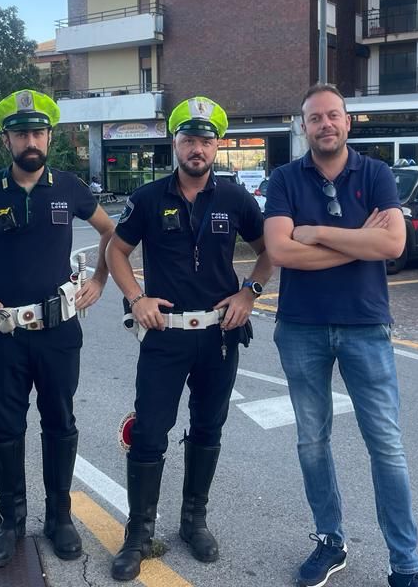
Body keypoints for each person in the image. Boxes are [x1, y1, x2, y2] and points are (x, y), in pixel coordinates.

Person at [263, 84, 418, 587]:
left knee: (386, 446)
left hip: (365, 325)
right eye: (315, 118)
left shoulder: (376, 173)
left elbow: (395, 243)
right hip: (300, 327)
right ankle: (330, 541)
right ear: (304, 127)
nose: (325, 125)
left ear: (347, 121)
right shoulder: (284, 178)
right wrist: (363, 242)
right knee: (312, 442)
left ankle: (406, 566)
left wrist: (314, 232)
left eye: (333, 115)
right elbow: (281, 251)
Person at [0, 89, 115, 568]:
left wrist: (100, 279)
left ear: (50, 137)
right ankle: (10, 523)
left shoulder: (71, 187)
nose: (30, 140)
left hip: (59, 332)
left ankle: (59, 517)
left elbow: (111, 232)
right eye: (21, 134)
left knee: (60, 424)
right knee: (6, 429)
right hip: (4, 334)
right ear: (7, 141)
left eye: (38, 132)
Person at [105, 96, 272, 582]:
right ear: (174, 143)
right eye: (188, 139)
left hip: (220, 336)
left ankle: (193, 521)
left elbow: (268, 253)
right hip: (164, 336)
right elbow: (117, 251)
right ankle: (138, 533)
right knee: (150, 434)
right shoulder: (149, 198)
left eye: (205, 140)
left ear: (216, 146)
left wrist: (250, 293)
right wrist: (136, 298)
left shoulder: (236, 199)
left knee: (207, 429)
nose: (197, 148)